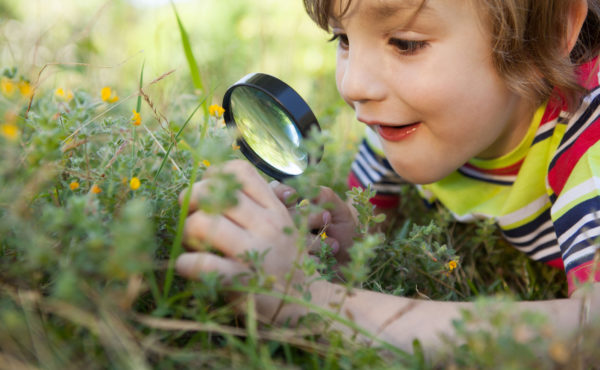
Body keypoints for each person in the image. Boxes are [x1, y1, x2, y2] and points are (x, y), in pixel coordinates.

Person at [175, 0, 600, 352]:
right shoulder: (400, 120)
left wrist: (311, 302)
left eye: (406, 43)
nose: (354, 85)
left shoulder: (588, 140)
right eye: (343, 39)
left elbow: (588, 333)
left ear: (550, 32)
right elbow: (368, 230)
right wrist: (344, 246)